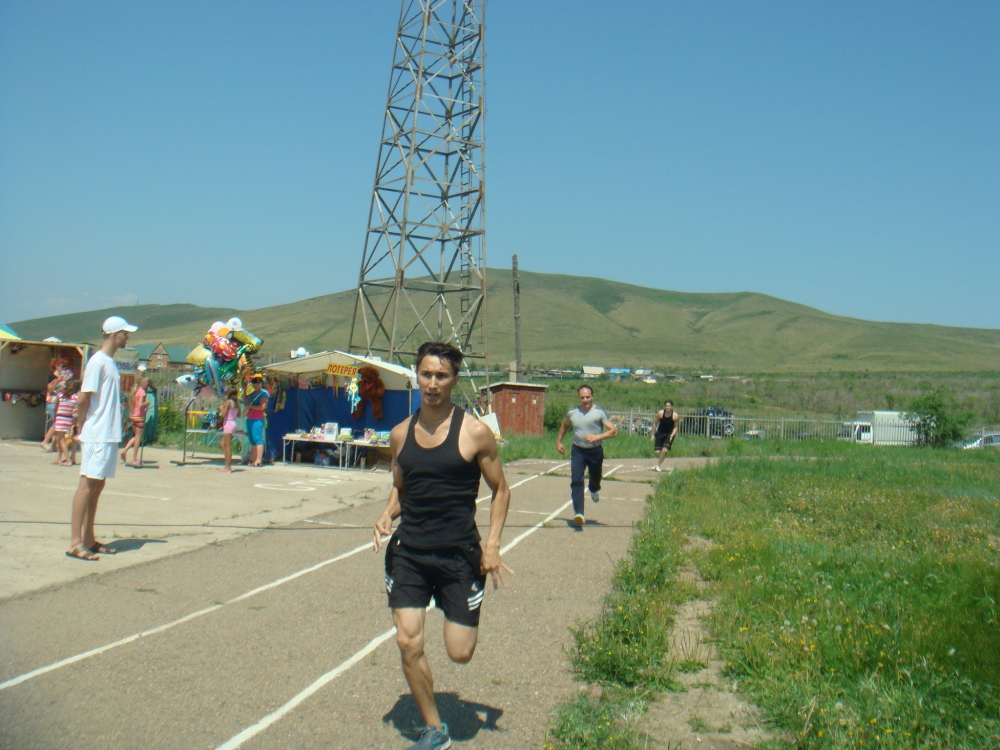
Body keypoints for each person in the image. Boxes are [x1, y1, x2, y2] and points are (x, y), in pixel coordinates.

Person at [373, 341, 512, 750]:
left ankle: (458, 607)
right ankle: (434, 729)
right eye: (426, 374)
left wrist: (492, 545)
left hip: (459, 555)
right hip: (410, 553)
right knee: (407, 640)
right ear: (416, 376)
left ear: (454, 380)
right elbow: (403, 486)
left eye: (441, 376)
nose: (432, 383)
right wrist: (387, 513)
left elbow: (501, 490)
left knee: (459, 652)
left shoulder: (474, 433)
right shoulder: (400, 434)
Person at [66, 315, 136, 561]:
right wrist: (80, 427)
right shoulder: (97, 362)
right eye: (125, 333)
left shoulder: (110, 362)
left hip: (108, 434)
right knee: (86, 485)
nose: (127, 338)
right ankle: (75, 543)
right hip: (96, 433)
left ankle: (89, 538)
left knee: (98, 485)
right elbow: (84, 398)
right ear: (114, 334)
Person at [555, 384, 618, 528]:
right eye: (582, 397)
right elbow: (564, 425)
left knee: (595, 477)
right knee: (576, 479)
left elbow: (613, 431)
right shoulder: (572, 412)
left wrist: (597, 437)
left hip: (595, 451)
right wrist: (559, 441)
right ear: (579, 398)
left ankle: (593, 489)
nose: (585, 400)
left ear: (592, 397)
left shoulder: (599, 412)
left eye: (587, 397)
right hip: (578, 450)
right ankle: (579, 513)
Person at [119, 376, 151, 467]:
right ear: (141, 383)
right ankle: (134, 459)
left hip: (133, 415)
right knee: (138, 438)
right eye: (146, 382)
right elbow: (141, 404)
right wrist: (146, 403)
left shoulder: (135, 391)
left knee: (135, 436)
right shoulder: (142, 392)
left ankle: (124, 451)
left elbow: (134, 404)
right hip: (139, 416)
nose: (147, 384)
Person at [52, 380, 79, 467]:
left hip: (60, 417)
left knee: (61, 439)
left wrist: (54, 417)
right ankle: (59, 458)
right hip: (68, 419)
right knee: (59, 438)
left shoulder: (60, 395)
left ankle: (68, 460)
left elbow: (55, 408)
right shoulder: (76, 397)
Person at [244, 374, 269, 467]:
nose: (256, 385)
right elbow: (245, 399)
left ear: (261, 383)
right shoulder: (252, 393)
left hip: (257, 418)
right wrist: (245, 389)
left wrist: (250, 406)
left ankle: (259, 459)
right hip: (250, 418)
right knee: (252, 439)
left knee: (257, 438)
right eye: (254, 383)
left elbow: (262, 407)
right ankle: (252, 458)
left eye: (258, 382)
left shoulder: (264, 393)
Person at [651, 399, 680, 472]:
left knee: (665, 450)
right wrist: (652, 435)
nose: (668, 407)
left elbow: (676, 427)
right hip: (660, 433)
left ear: (671, 407)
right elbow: (655, 423)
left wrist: (672, 435)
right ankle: (659, 459)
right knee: (657, 452)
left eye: (669, 406)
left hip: (669, 434)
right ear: (664, 406)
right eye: (666, 406)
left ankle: (658, 465)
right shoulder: (660, 413)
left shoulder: (675, 416)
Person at [219, 386, 240, 473]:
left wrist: (222, 408)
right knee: (222, 444)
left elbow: (223, 415)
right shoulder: (237, 403)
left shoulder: (228, 402)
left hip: (228, 423)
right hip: (233, 422)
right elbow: (239, 415)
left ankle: (228, 467)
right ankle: (227, 461)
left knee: (227, 446)